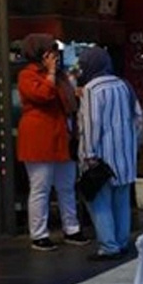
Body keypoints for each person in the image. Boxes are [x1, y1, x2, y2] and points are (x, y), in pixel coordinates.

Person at [17, 33, 86, 251]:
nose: (55, 56)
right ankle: (39, 233)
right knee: (41, 187)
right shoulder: (27, 76)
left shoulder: (61, 75)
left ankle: (72, 228)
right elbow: (44, 95)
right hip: (39, 137)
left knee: (66, 186)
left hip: (60, 136)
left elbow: (69, 101)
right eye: (50, 52)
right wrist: (51, 73)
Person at [76, 46, 142, 260]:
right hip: (124, 155)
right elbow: (137, 117)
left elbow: (91, 123)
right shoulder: (123, 85)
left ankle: (108, 245)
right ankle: (121, 242)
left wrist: (88, 153)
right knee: (121, 200)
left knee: (99, 201)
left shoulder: (92, 89)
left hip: (101, 157)